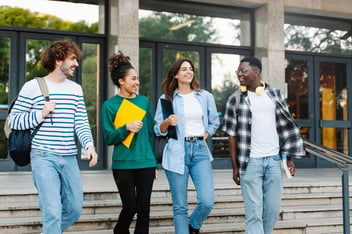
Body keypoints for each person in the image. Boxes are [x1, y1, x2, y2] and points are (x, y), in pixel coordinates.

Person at [8, 39, 98, 233]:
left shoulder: (75, 89)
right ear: (58, 59)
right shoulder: (33, 86)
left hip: (69, 157)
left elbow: (81, 121)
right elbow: (13, 121)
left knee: (74, 209)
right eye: (72, 59)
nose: (76, 63)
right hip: (43, 156)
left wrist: (89, 145)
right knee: (52, 212)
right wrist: (40, 114)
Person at [222, 57, 305, 234]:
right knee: (254, 213)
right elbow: (232, 136)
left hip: (274, 161)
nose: (239, 74)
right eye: (238, 71)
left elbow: (286, 127)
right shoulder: (235, 100)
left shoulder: (275, 94)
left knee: (272, 210)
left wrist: (288, 159)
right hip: (250, 162)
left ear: (256, 72)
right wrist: (235, 167)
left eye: (244, 71)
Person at [154, 58, 220, 234]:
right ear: (175, 74)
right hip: (176, 151)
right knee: (180, 206)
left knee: (207, 201)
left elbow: (214, 122)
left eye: (190, 69)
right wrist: (167, 121)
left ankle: (193, 226)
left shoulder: (205, 96)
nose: (188, 72)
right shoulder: (167, 99)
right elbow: (158, 129)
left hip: (199, 150)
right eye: (184, 69)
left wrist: (204, 136)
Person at [101, 51, 157, 234]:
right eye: (133, 78)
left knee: (144, 209)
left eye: (137, 78)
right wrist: (126, 128)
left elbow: (150, 133)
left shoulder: (144, 102)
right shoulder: (109, 105)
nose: (137, 82)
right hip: (123, 163)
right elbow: (108, 138)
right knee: (130, 207)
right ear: (121, 81)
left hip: (146, 163)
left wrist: (153, 162)